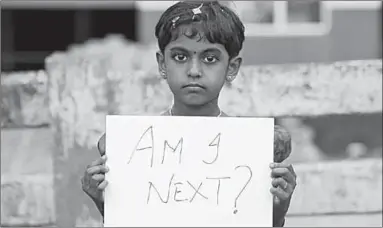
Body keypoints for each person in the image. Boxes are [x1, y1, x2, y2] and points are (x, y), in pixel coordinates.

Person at [81, 1, 297, 227]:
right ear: (162, 63)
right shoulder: (135, 148)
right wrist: (104, 201)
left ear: (231, 68)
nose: (194, 71)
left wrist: (278, 210)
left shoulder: (248, 149)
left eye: (210, 58)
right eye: (180, 57)